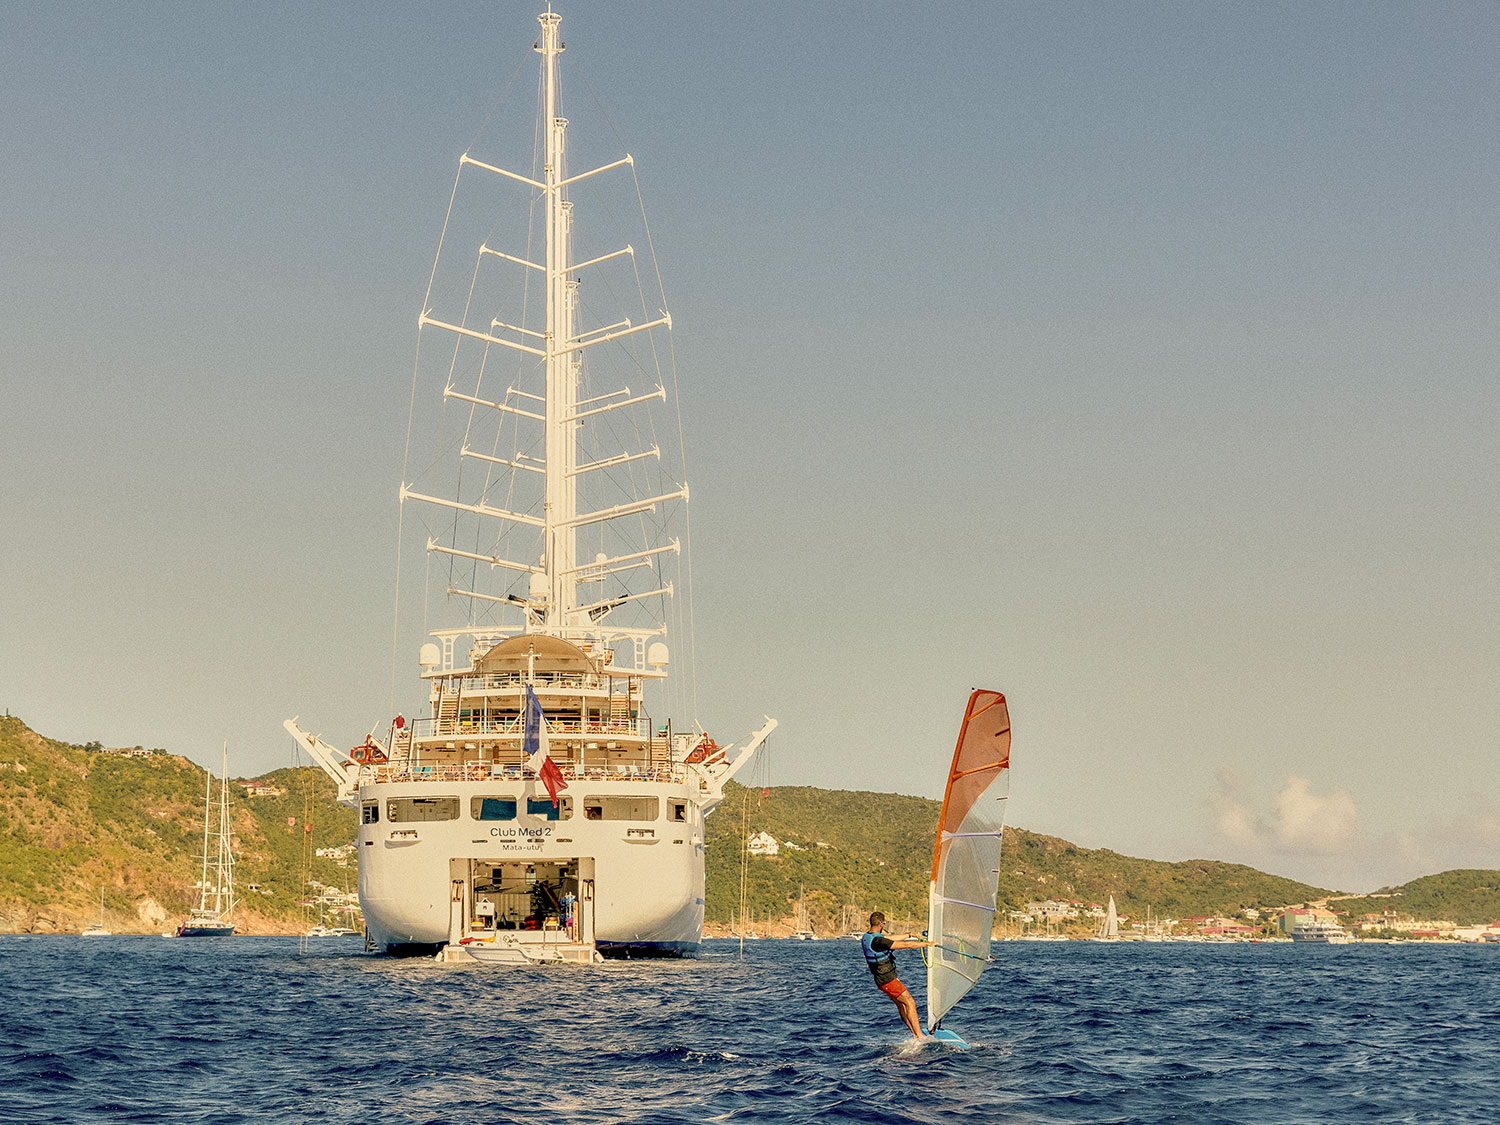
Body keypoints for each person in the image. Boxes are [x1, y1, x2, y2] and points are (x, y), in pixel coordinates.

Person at [861, 911, 934, 1039]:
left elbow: (890, 939)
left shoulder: (868, 937)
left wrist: (911, 934)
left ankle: (915, 1034)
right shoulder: (878, 941)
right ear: (882, 924)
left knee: (901, 1004)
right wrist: (928, 944)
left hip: (881, 980)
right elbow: (906, 945)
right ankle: (919, 1035)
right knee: (910, 1002)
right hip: (887, 979)